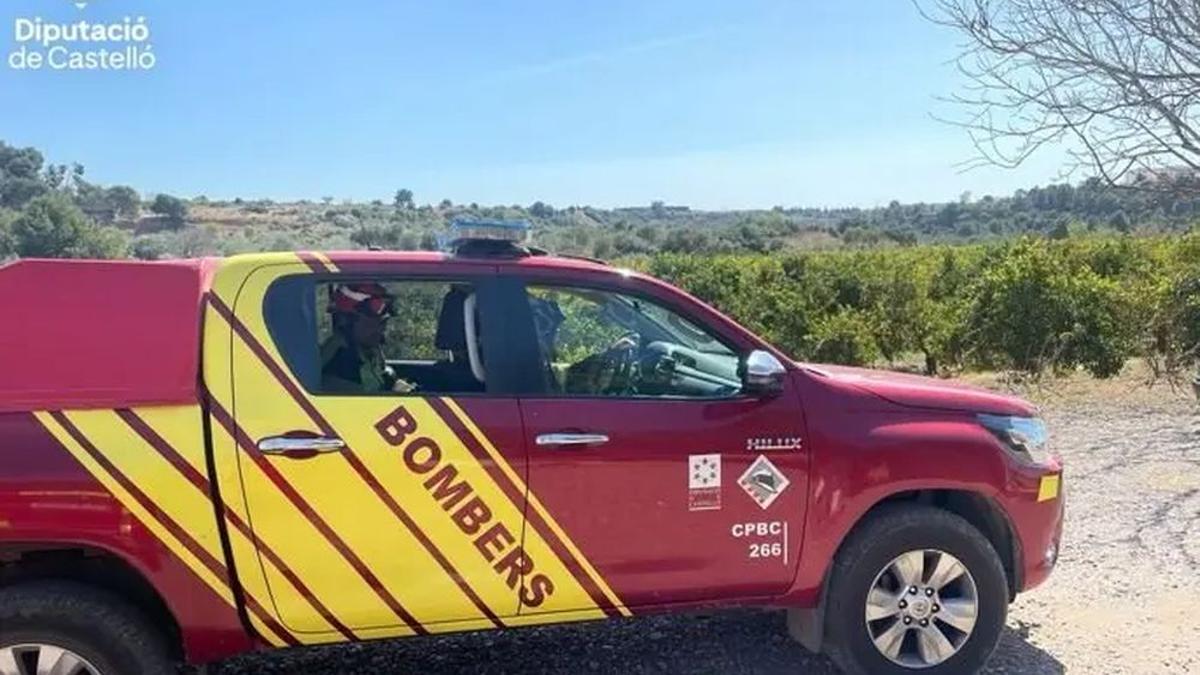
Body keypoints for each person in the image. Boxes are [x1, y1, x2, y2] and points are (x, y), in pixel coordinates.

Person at [320, 282, 415, 393]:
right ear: (348, 320)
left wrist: (396, 385)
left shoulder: (367, 348)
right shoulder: (339, 361)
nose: (382, 329)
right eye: (374, 323)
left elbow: (382, 375)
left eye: (383, 323)